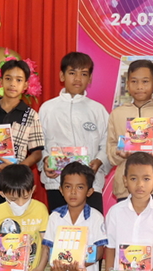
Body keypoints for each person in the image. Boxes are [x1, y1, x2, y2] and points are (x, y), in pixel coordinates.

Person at [39, 52, 109, 213]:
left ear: (90, 78)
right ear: (61, 76)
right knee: (59, 225)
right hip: (57, 182)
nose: (78, 79)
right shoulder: (47, 108)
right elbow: (38, 143)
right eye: (72, 73)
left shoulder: (98, 110)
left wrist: (99, 161)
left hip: (90, 183)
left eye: (83, 74)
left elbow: (107, 142)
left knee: (92, 225)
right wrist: (45, 159)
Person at [106, 60, 153, 205]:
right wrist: (120, 152)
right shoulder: (117, 114)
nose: (139, 87)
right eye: (134, 81)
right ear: (127, 84)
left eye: (145, 81)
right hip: (125, 188)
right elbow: (111, 153)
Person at [0, 59, 44, 203]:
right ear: (0, 81)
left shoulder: (31, 115)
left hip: (16, 182)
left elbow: (37, 152)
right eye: (8, 78)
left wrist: (16, 168)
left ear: (25, 85)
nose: (13, 84)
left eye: (18, 80)